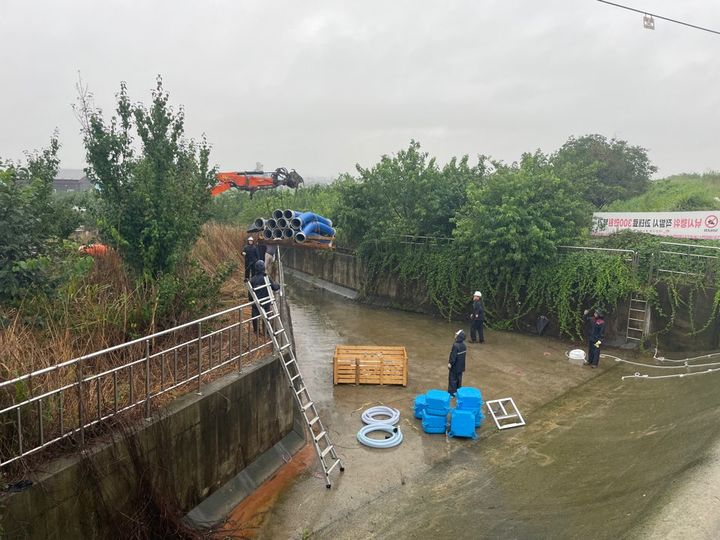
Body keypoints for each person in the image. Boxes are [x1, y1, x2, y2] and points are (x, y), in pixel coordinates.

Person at [249, 260, 280, 333]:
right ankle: (266, 331)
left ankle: (256, 331)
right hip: (266, 303)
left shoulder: (252, 280)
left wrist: (251, 300)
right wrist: (278, 285)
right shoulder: (267, 278)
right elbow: (274, 287)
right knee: (266, 317)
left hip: (256, 304)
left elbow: (250, 295)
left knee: (255, 316)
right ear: (263, 268)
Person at [447, 329, 467, 396]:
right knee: (459, 378)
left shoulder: (455, 345)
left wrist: (450, 363)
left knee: (452, 379)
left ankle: (452, 393)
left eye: (456, 335)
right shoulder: (464, 345)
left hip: (455, 366)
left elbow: (453, 356)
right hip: (461, 366)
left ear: (459, 337)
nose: (455, 335)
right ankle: (458, 391)